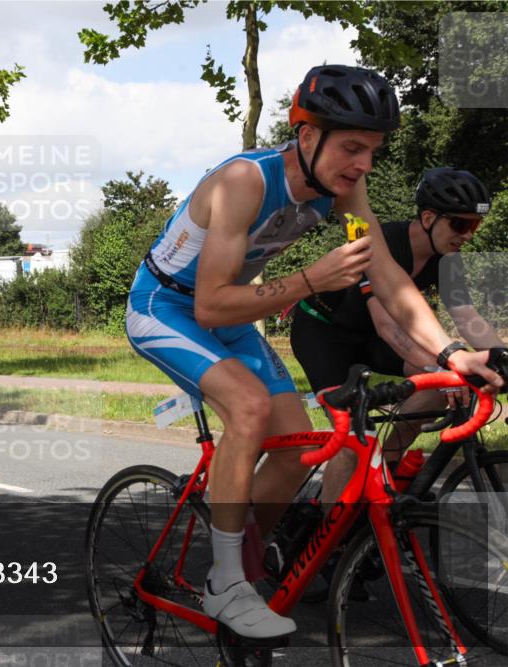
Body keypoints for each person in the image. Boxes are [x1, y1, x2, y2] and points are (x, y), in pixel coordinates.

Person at [125, 65, 503, 639]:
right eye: (352, 147)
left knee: (293, 446)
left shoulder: (343, 187)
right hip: (167, 306)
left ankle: (244, 560)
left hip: (235, 309)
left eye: (372, 151)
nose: (363, 165)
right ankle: (225, 582)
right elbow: (208, 308)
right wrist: (310, 279)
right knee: (249, 408)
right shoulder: (244, 181)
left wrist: (453, 353)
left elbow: (391, 279)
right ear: (306, 136)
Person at [291, 167, 503, 469]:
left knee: (436, 393)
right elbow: (387, 326)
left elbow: (467, 317)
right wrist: (438, 366)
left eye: (475, 225)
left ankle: (385, 467)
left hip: (369, 338)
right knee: (354, 440)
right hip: (324, 335)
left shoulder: (448, 259)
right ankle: (334, 513)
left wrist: (501, 356)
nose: (468, 235)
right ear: (429, 218)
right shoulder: (382, 244)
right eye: (460, 224)